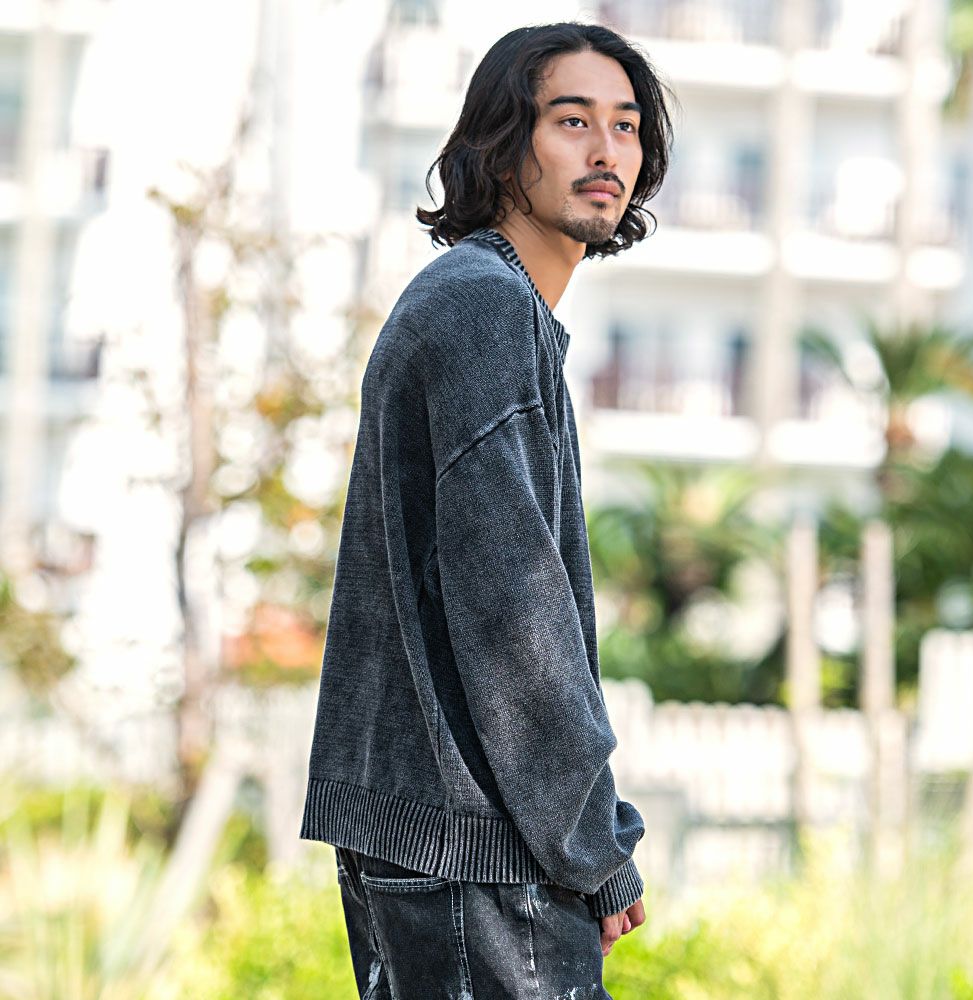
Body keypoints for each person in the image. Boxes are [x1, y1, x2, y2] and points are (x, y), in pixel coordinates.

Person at [299, 19, 674, 999]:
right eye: (572, 121)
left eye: (626, 126)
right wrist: (592, 848)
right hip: (477, 853)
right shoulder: (484, 310)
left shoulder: (483, 304)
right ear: (503, 147)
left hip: (442, 838)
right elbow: (516, 619)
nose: (606, 151)